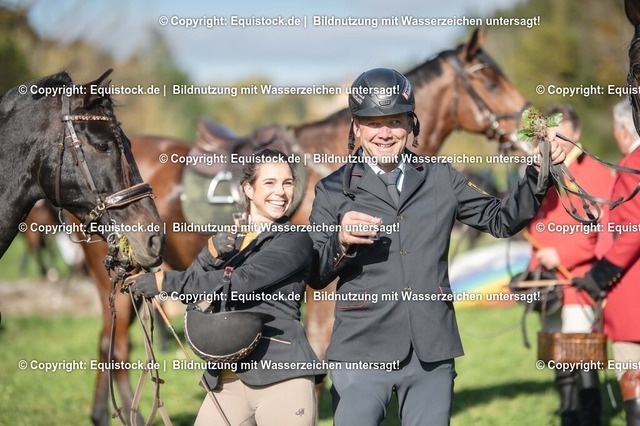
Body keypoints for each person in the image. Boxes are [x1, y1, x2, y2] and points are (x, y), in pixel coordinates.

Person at [308, 67, 566, 426]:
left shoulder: (440, 175)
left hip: (431, 348)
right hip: (361, 349)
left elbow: (500, 220)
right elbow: (316, 272)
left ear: (411, 124)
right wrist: (340, 240)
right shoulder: (332, 189)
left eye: (395, 121)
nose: (385, 133)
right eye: (373, 123)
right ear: (356, 127)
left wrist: (538, 173)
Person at [126, 148, 325, 426]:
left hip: (282, 376)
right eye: (270, 182)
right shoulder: (232, 238)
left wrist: (164, 282)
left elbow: (241, 283)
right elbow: (197, 293)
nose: (280, 192)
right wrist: (209, 254)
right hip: (226, 381)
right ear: (248, 189)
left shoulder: (295, 240)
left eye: (287, 183)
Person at [524, 104, 612, 426]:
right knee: (559, 357)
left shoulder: (596, 173)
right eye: (547, 136)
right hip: (551, 283)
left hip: (581, 282)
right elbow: (535, 224)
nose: (553, 142)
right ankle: (568, 417)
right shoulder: (544, 173)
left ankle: (589, 419)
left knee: (582, 356)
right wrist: (536, 268)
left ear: (576, 133)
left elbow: (601, 230)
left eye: (559, 134)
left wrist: (562, 256)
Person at [574, 100, 640, 426]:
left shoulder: (632, 166)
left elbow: (633, 230)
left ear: (624, 129)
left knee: (632, 378)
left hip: (632, 297)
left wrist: (600, 275)